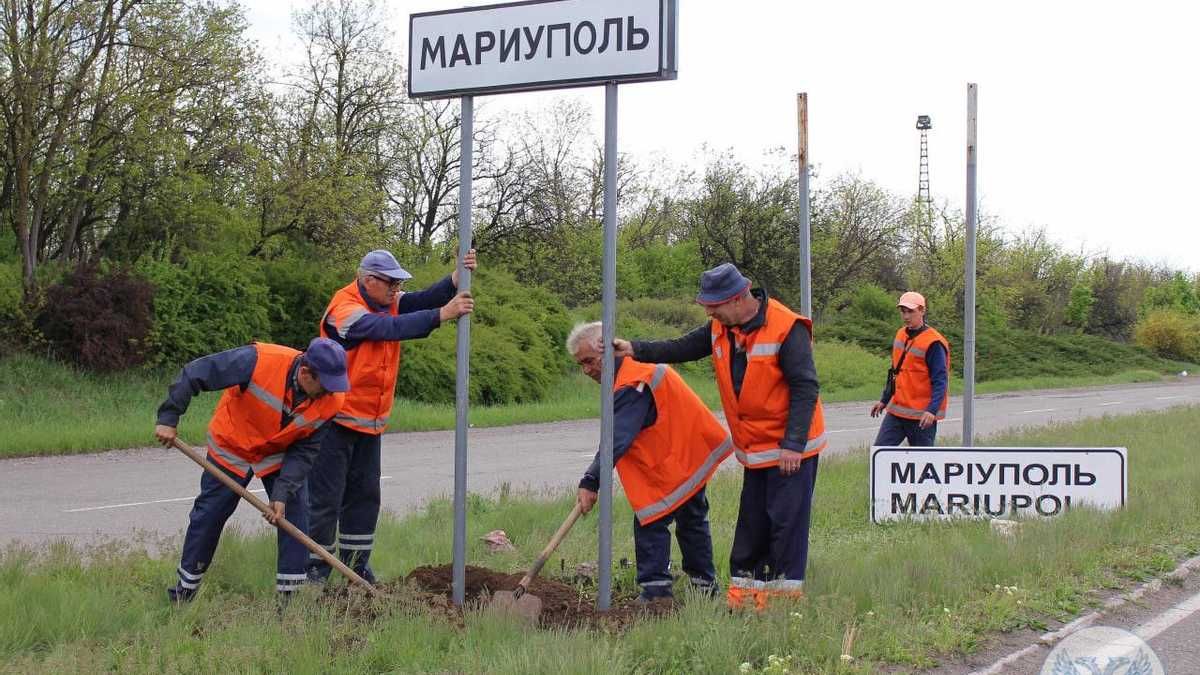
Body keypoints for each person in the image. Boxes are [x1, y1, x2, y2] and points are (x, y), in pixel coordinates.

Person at [613, 262, 825, 610]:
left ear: (740, 298)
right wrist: (634, 348)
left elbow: (806, 387)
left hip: (791, 450)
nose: (710, 312)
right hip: (755, 449)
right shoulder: (720, 327)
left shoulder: (787, 328)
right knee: (752, 527)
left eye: (715, 305)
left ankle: (780, 607)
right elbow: (682, 348)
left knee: (785, 528)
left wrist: (793, 444)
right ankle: (743, 601)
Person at [307, 248, 475, 584]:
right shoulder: (347, 309)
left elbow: (419, 301)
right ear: (370, 280)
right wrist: (443, 314)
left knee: (365, 498)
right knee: (326, 500)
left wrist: (457, 278)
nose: (396, 292)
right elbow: (388, 328)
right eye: (391, 285)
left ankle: (356, 568)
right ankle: (315, 570)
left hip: (369, 423)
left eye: (399, 286)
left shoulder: (384, 301)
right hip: (334, 421)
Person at [154, 338, 349, 603]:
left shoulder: (331, 401)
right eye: (324, 387)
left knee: (294, 514)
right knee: (209, 515)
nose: (329, 393)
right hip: (233, 445)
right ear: (305, 373)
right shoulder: (258, 360)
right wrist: (168, 417)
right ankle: (184, 593)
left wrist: (281, 494)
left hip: (277, 452)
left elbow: (304, 452)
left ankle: (288, 604)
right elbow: (196, 372)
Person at [569, 322, 732, 602]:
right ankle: (703, 585)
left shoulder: (634, 381)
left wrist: (591, 481)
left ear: (607, 352)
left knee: (652, 520)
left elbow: (615, 439)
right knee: (690, 519)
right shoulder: (634, 371)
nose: (586, 370)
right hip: (684, 456)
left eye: (588, 361)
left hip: (679, 458)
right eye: (580, 364)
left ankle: (657, 592)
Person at [869, 291, 950, 447]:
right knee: (880, 456)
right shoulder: (900, 334)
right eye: (903, 311)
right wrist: (884, 400)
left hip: (922, 417)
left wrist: (931, 411)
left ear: (922, 311)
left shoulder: (933, 342)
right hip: (896, 412)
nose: (906, 316)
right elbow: (895, 372)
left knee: (923, 466)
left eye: (911, 311)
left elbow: (940, 381)